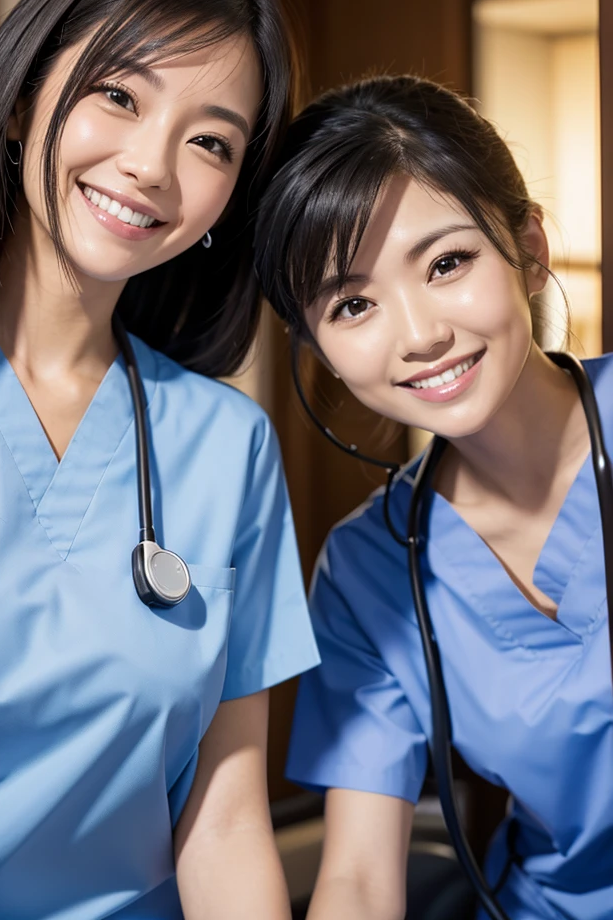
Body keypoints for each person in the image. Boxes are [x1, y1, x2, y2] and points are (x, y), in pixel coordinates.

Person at [0, 0, 319, 919]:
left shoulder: (225, 447)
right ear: (25, 97)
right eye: (118, 95)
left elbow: (225, 825)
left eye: (211, 141)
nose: (150, 164)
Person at [253, 75, 613, 920]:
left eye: (447, 263)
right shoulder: (367, 568)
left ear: (528, 249)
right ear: (320, 348)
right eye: (354, 304)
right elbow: (359, 882)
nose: (419, 335)